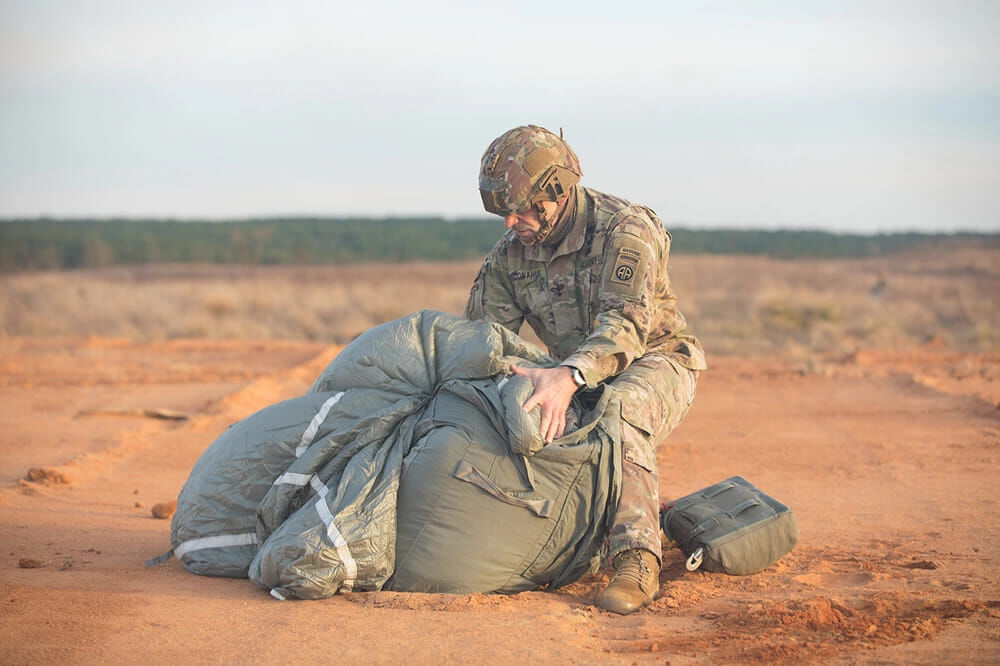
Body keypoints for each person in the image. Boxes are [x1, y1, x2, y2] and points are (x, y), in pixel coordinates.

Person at [465, 125, 707, 614]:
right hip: (572, 370)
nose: (510, 221)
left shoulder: (625, 231)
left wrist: (567, 377)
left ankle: (638, 560)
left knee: (616, 414)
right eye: (501, 211)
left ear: (555, 190)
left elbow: (625, 328)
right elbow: (481, 339)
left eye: (520, 207)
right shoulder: (510, 254)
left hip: (655, 359)